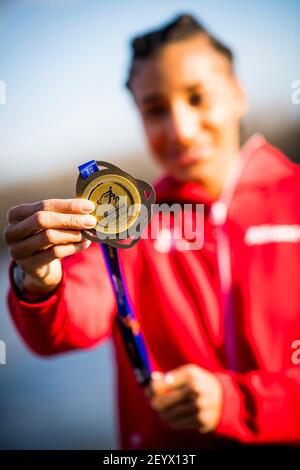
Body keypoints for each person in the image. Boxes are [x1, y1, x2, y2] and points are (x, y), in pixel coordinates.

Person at [4, 14, 300, 450]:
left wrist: (235, 403)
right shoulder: (133, 217)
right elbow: (72, 321)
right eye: (156, 109)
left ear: (238, 93)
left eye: (197, 97)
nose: (179, 128)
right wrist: (39, 280)